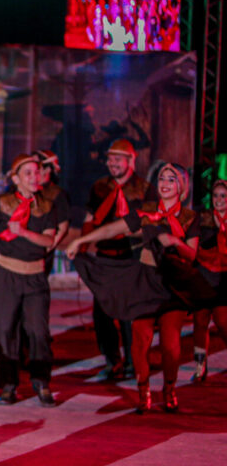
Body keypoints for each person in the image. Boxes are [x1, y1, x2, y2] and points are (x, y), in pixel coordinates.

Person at [69, 163, 205, 412]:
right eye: (162, 178)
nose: (165, 183)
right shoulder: (147, 213)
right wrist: (82, 240)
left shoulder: (190, 218)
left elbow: (192, 254)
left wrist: (174, 242)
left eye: (171, 179)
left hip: (172, 285)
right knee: (140, 341)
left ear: (182, 186)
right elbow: (114, 228)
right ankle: (144, 392)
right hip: (145, 282)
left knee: (170, 345)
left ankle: (169, 389)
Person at [0, 154, 63, 407]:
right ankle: (8, 385)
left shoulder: (47, 205)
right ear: (16, 179)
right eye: (28, 173)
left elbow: (49, 240)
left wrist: (24, 232)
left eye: (37, 172)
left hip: (35, 277)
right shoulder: (1, 203)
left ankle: (41, 381)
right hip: (7, 275)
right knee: (5, 330)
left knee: (38, 332)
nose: (34, 177)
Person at [83, 139, 149, 380]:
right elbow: (90, 217)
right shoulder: (99, 187)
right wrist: (82, 244)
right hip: (105, 258)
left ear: (131, 161)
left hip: (131, 258)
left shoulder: (144, 189)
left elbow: (151, 223)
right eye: (110, 159)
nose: (112, 163)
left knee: (128, 315)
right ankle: (113, 361)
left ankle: (133, 362)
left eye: (117, 159)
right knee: (102, 314)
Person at [191, 179, 227, 382]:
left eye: (223, 196)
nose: (219, 200)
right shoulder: (202, 218)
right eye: (215, 196)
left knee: (223, 322)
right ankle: (200, 365)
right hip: (204, 277)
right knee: (200, 321)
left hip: (224, 280)